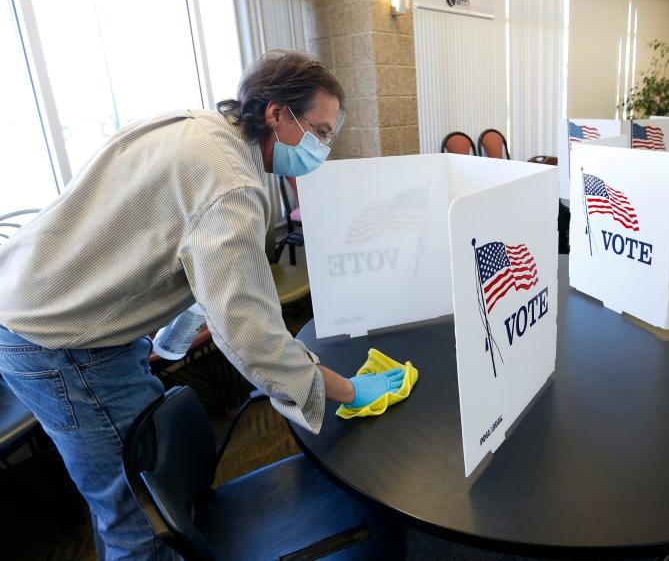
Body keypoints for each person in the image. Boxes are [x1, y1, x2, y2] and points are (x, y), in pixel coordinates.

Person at [0, 49, 405, 560]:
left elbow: (193, 270)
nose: (323, 148)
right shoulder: (233, 184)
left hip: (49, 313)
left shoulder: (199, 128)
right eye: (320, 132)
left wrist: (166, 347)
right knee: (138, 516)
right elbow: (250, 336)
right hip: (59, 343)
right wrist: (346, 390)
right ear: (277, 114)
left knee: (130, 495)